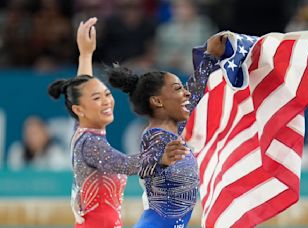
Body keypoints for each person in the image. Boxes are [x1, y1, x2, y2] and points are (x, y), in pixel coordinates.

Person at [48, 18, 188, 228]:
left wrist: (86, 54)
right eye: (97, 98)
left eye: (106, 94)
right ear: (80, 110)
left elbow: (81, 92)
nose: (106, 101)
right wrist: (160, 158)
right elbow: (124, 164)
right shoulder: (91, 144)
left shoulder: (84, 131)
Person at [106, 31, 227, 227]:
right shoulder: (155, 136)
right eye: (178, 89)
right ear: (157, 101)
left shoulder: (173, 131)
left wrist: (211, 56)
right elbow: (137, 165)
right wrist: (159, 161)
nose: (186, 93)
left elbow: (195, 92)